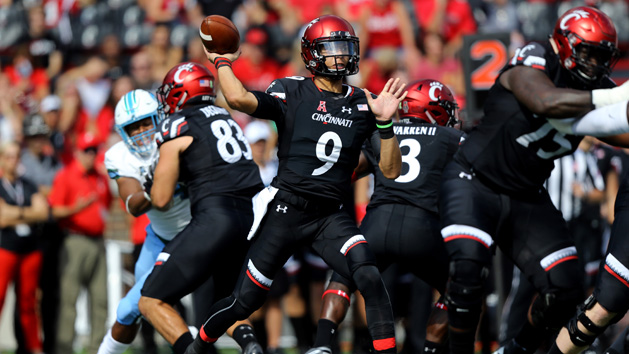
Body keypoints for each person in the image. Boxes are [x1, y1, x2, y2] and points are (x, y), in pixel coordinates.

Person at [186, 14, 406, 354]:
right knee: (244, 302)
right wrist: (222, 62)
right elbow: (239, 100)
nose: (342, 55)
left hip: (330, 215)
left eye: (345, 47)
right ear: (312, 55)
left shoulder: (366, 102)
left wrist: (385, 124)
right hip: (287, 209)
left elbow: (390, 171)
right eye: (332, 48)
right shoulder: (292, 90)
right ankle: (197, 346)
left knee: (369, 277)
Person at [435, 6, 629, 354]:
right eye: (588, 52)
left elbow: (623, 130)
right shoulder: (537, 57)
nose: (594, 64)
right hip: (476, 181)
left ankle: (516, 351)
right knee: (467, 268)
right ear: (565, 44)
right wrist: (617, 96)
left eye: (602, 56)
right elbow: (544, 100)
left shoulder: (595, 88)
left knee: (565, 287)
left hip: (526, 195)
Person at [307, 79, 464, 354]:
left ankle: (321, 344)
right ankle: (430, 350)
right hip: (423, 227)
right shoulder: (452, 139)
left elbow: (350, 171)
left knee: (343, 277)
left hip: (377, 223)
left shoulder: (383, 131)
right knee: (460, 287)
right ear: (435, 110)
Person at [137, 62, 266, 354]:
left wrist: (151, 181)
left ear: (182, 93)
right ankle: (250, 344)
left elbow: (160, 199)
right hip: (251, 218)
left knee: (150, 300)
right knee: (222, 298)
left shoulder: (177, 123)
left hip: (216, 216)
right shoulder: (226, 116)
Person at [97, 89, 192, 354]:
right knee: (143, 306)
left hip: (198, 234)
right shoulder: (119, 156)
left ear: (159, 117)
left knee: (131, 306)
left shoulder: (181, 135)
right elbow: (132, 204)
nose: (140, 131)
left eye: (144, 123)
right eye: (132, 127)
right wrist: (154, 188)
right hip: (159, 238)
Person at [48, 132, 113, 354]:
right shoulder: (66, 175)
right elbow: (54, 210)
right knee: (69, 301)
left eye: (94, 150)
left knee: (101, 300)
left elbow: (107, 206)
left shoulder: (99, 176)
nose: (92, 155)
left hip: (97, 242)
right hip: (74, 241)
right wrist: (77, 208)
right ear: (77, 152)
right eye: (88, 150)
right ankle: (64, 348)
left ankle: (97, 349)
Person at [0, 141, 50, 354]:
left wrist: (15, 212)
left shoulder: (27, 184)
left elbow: (43, 212)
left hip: (30, 249)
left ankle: (34, 347)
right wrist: (28, 213)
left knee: (29, 303)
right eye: (9, 157)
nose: (14, 161)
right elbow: (1, 219)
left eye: (16, 156)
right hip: (6, 247)